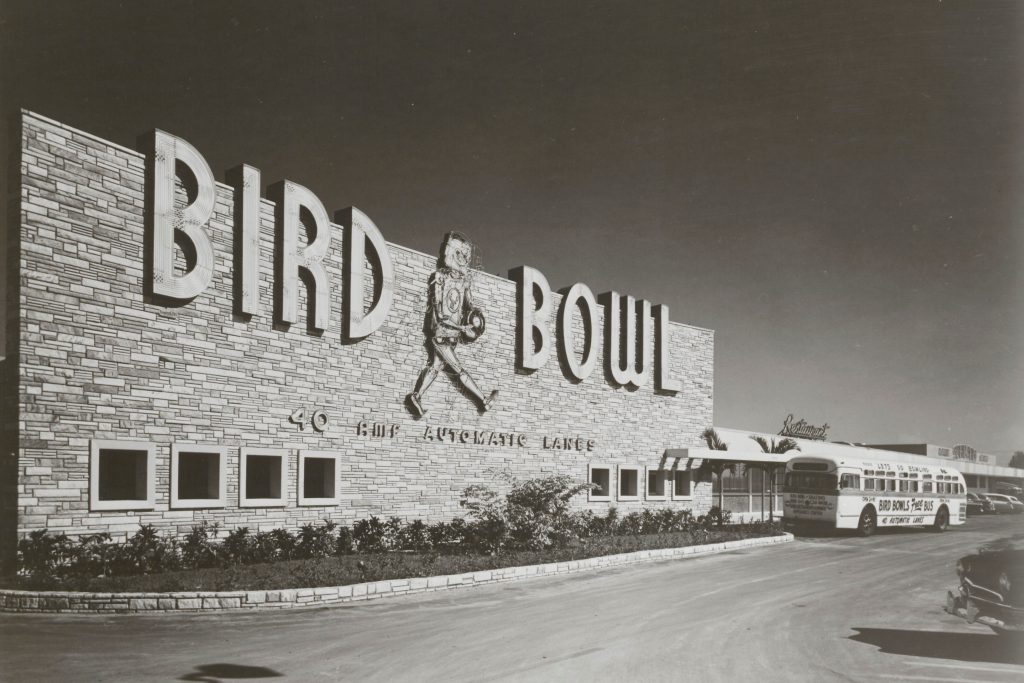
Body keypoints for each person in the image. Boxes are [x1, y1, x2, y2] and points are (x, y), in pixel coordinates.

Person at [406, 231, 498, 417]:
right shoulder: (439, 277)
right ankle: (483, 400)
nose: (463, 258)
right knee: (459, 369)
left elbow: (469, 306)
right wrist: (460, 328)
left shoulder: (463, 282)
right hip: (441, 335)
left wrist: (475, 321)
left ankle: (417, 396)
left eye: (466, 255)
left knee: (435, 367)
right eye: (460, 254)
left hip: (453, 337)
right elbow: (439, 313)